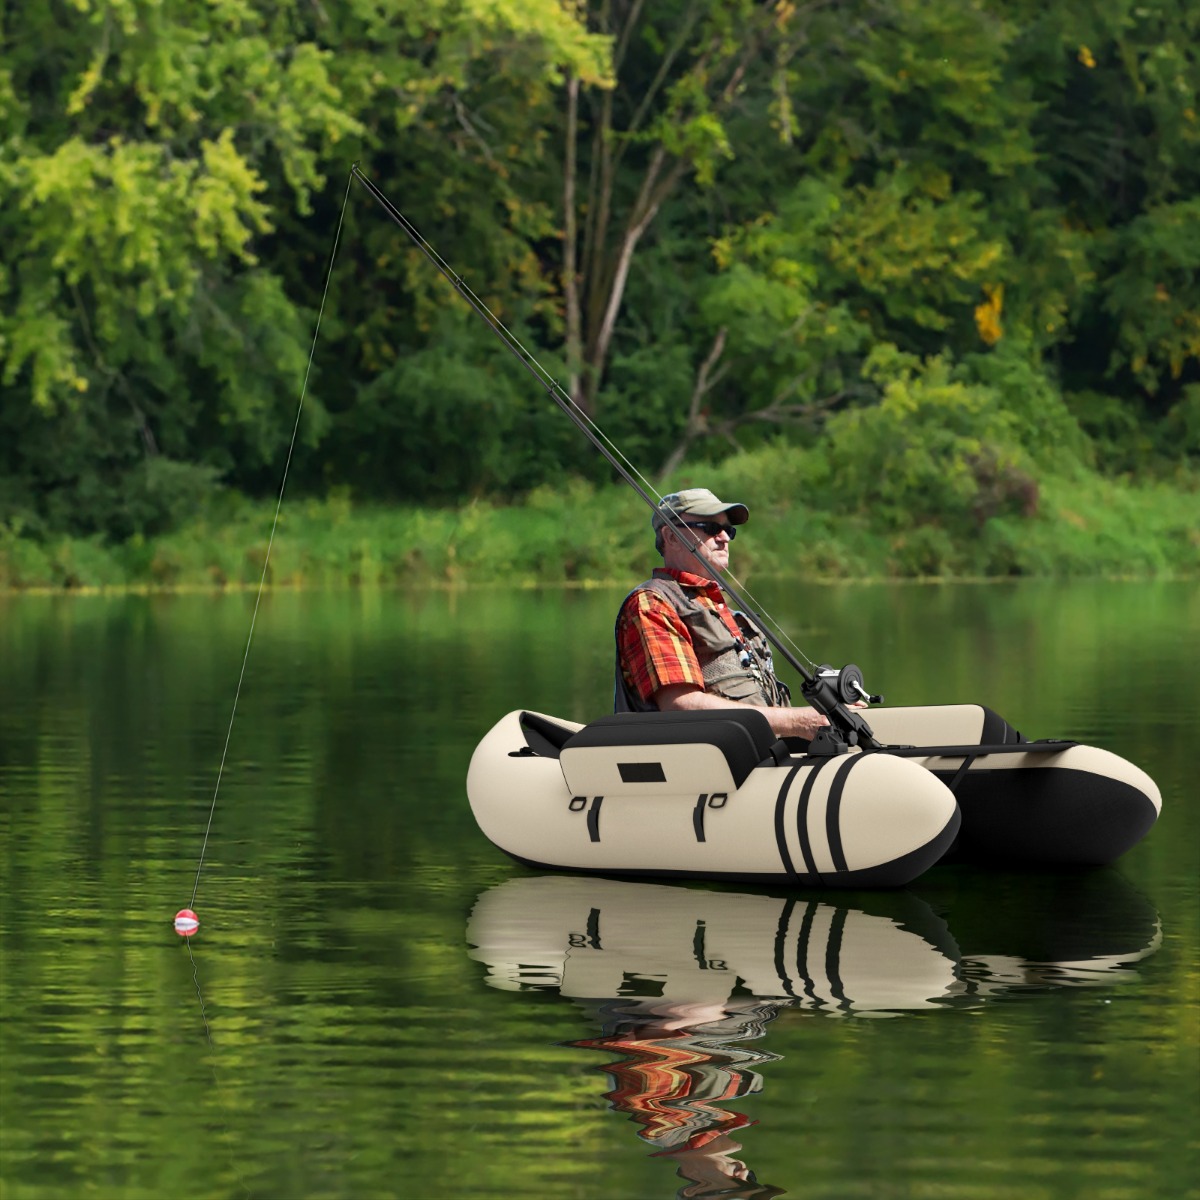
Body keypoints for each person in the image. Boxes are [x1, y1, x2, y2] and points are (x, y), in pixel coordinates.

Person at [615, 488, 830, 741]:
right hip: (702, 766)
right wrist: (797, 721)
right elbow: (680, 705)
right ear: (671, 537)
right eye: (710, 527)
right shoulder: (652, 604)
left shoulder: (724, 610)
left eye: (728, 530)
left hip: (762, 757)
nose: (724, 538)